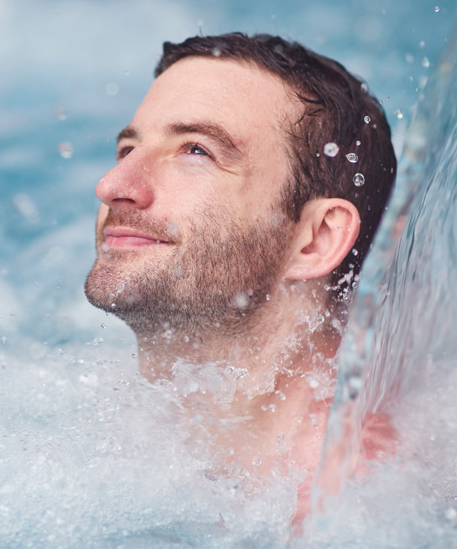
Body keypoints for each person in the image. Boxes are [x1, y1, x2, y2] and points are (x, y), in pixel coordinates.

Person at [84, 32, 397, 522]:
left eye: (196, 151)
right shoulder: (87, 414)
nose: (112, 186)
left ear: (314, 240)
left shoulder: (343, 497)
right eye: (128, 149)